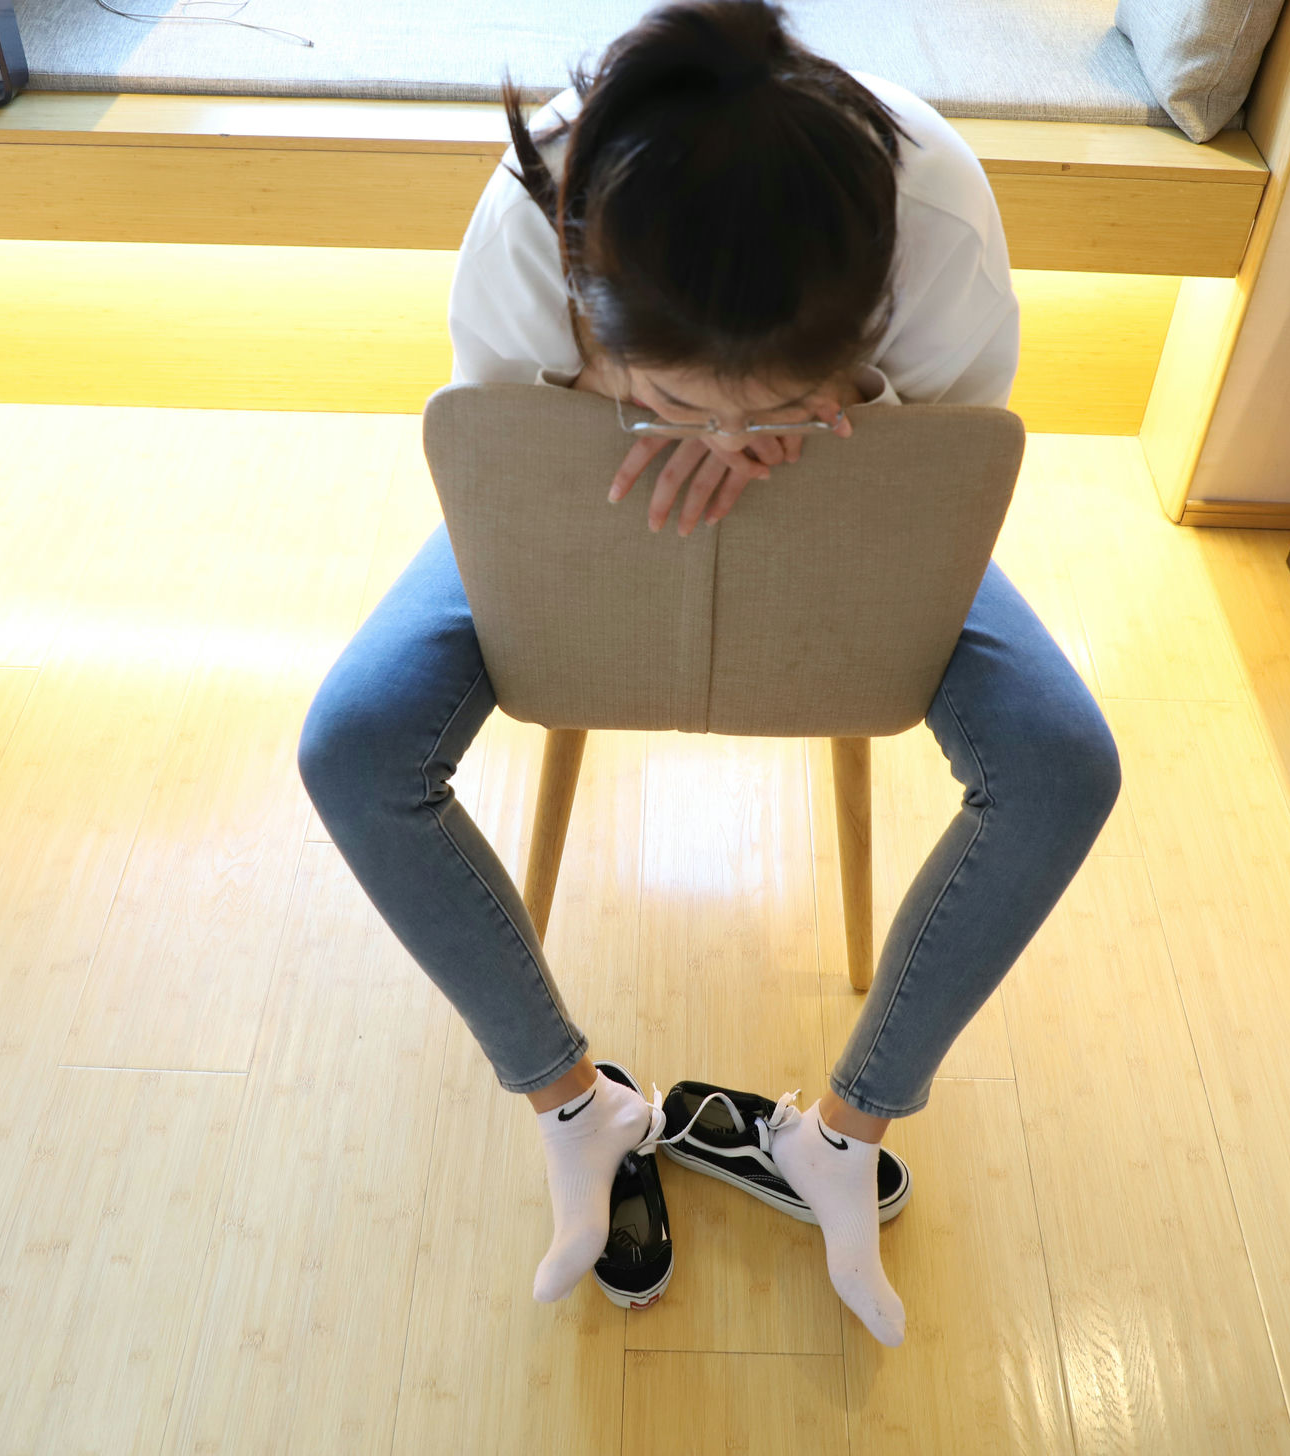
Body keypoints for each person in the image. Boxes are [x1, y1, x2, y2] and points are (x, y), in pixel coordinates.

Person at [299, 0, 1122, 1347]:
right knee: (352, 747)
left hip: (858, 500)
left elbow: (950, 461)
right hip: (592, 497)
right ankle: (575, 1103)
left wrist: (833, 428)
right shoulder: (529, 220)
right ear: (590, 306)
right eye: (682, 401)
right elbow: (508, 459)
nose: (729, 439)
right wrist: (636, 419)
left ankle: (842, 1135)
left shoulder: (941, 220)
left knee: (1064, 767)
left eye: (775, 402)